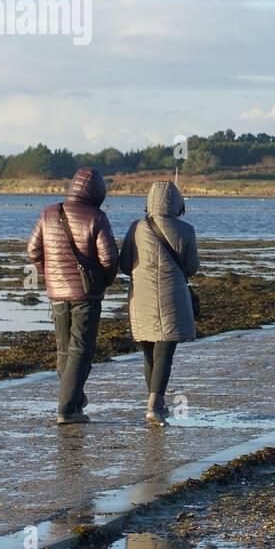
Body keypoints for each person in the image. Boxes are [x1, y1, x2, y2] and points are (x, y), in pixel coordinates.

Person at [27, 167, 119, 424]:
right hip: (86, 294)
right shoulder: (97, 217)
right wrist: (103, 282)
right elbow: (110, 258)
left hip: (57, 293)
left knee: (64, 349)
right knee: (80, 349)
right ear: (97, 192)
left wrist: (50, 274)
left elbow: (33, 250)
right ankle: (67, 409)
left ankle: (74, 402)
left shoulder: (49, 213)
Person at [120, 180, 199, 425]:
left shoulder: (136, 228)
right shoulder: (185, 230)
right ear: (177, 203)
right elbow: (192, 267)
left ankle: (156, 402)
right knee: (165, 352)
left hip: (141, 297)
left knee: (149, 352)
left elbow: (123, 264)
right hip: (172, 296)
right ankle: (155, 405)